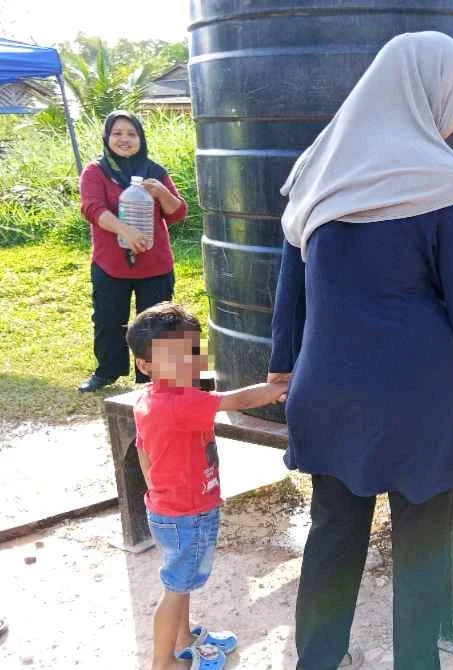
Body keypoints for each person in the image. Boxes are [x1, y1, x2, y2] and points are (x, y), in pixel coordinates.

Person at [268, 31, 453, 670]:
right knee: (422, 548)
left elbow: (289, 289)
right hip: (417, 396)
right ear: (433, 92)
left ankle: (316, 660)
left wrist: (281, 369)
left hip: (328, 388)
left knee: (332, 538)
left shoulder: (316, 167)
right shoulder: (443, 178)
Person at [126, 302, 288, 670]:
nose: (187, 363)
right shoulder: (181, 401)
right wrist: (279, 385)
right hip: (188, 515)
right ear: (145, 364)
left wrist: (160, 493)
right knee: (176, 588)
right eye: (173, 356)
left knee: (180, 583)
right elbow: (241, 400)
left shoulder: (148, 399)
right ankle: (162, 663)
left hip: (167, 510)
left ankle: (184, 641)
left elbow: (143, 452)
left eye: (192, 351)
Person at [78, 110, 189, 393]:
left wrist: (162, 193)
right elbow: (92, 209)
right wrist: (125, 230)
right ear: (107, 138)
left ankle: (154, 378)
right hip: (110, 262)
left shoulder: (155, 171)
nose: (124, 139)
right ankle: (107, 371)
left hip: (155, 263)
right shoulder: (96, 172)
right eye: (117, 133)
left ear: (141, 138)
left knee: (158, 322)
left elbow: (178, 214)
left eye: (131, 133)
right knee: (107, 318)